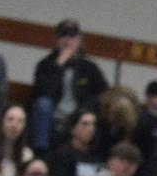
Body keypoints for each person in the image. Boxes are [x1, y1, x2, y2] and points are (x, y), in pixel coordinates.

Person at [29, 19, 108, 155]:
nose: (67, 41)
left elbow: (103, 93)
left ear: (79, 40)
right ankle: (40, 153)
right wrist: (58, 66)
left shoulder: (89, 67)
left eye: (72, 37)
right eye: (63, 36)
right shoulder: (45, 65)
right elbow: (42, 92)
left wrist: (84, 110)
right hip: (53, 118)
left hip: (79, 116)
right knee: (43, 104)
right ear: (56, 40)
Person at [46, 108, 101, 176]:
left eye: (93, 124)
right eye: (85, 124)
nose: (91, 128)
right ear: (72, 129)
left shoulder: (96, 158)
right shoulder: (62, 155)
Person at [0, 104, 32, 176]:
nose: (14, 125)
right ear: (2, 121)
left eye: (20, 121)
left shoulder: (27, 155)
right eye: (10, 119)